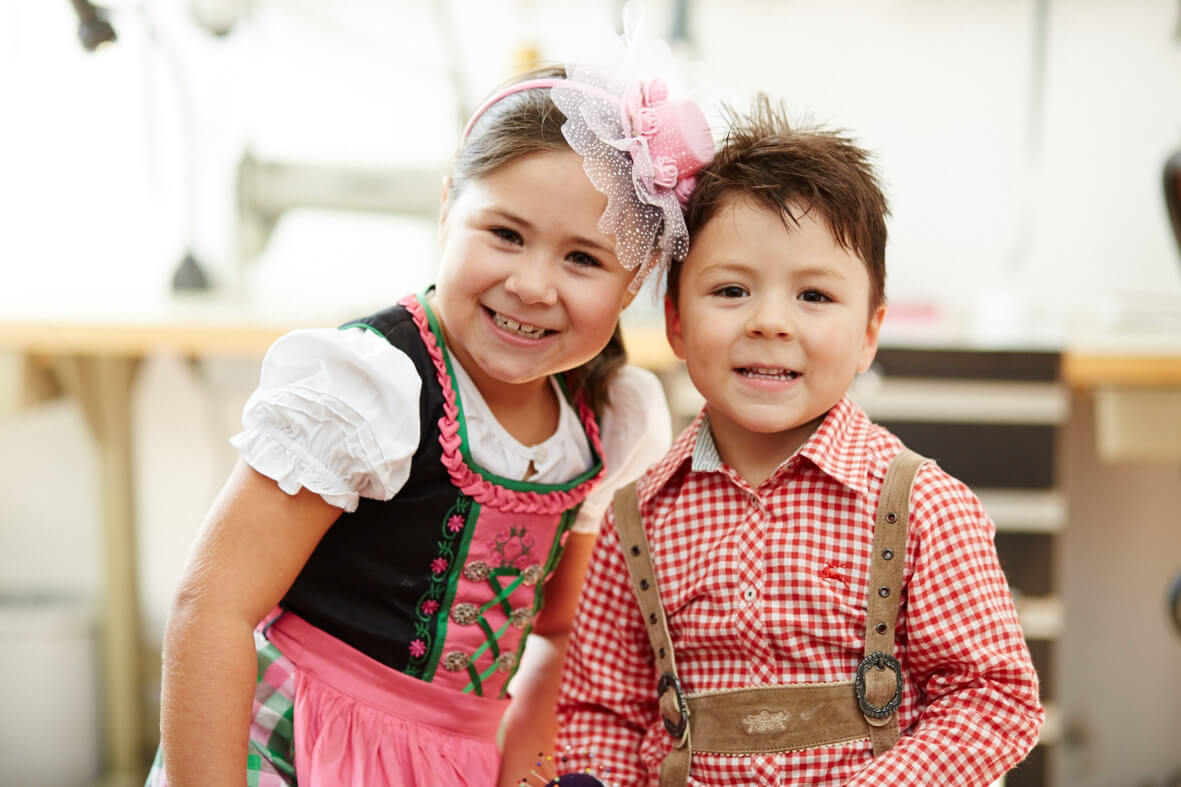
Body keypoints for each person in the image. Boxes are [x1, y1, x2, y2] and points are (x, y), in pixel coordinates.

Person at [146, 61, 714, 787]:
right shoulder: (371, 384)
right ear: (447, 207)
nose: (532, 284)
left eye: (581, 258)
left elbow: (564, 627)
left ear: (632, 283)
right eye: (505, 233)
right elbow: (212, 607)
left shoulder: (609, 416)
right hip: (291, 743)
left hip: (455, 763)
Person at [555, 97, 1045, 786]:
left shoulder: (924, 505)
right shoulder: (636, 518)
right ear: (674, 322)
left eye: (813, 296)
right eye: (730, 290)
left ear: (869, 332)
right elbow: (600, 713)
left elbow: (994, 697)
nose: (770, 322)